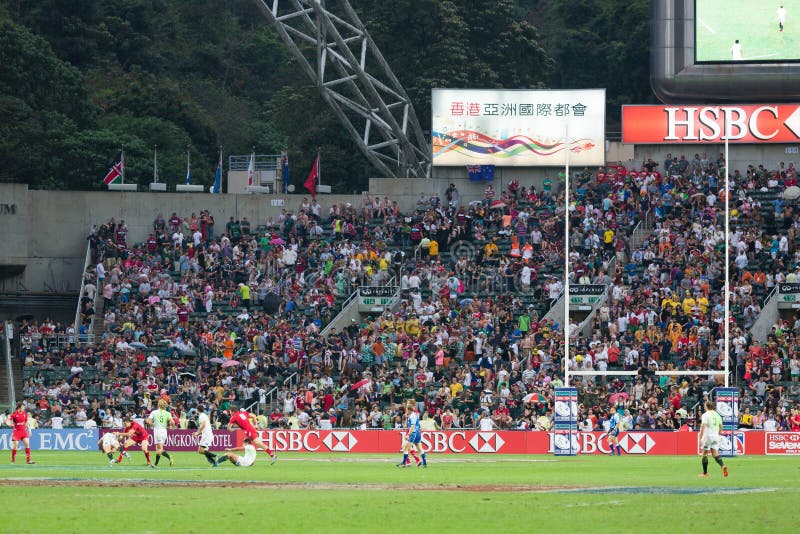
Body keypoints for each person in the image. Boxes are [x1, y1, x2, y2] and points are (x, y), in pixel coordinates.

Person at [699, 400, 729, 478]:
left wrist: (700, 437)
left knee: (705, 454)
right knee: (715, 453)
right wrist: (718, 434)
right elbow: (721, 426)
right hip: (716, 436)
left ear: (706, 406)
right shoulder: (718, 415)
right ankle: (722, 466)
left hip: (708, 436)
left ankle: (705, 473)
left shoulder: (705, 415)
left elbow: (703, 426)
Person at [146, 399, 175, 467]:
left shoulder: (154, 412)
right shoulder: (168, 413)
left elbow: (148, 421)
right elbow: (173, 422)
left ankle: (169, 457)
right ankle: (155, 464)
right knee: (158, 449)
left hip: (157, 431)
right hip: (164, 431)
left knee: (160, 448)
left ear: (158, 405)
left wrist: (152, 424)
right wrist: (172, 427)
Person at [397, 401, 427, 468]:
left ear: (410, 409)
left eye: (407, 409)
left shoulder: (413, 415)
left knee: (405, 448)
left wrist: (408, 434)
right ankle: (424, 463)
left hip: (413, 433)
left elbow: (413, 426)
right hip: (417, 432)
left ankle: (405, 463)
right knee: (420, 449)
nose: (406, 410)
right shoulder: (413, 415)